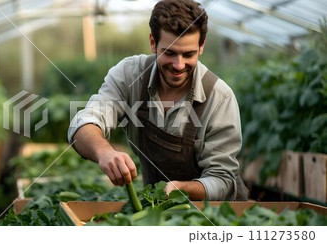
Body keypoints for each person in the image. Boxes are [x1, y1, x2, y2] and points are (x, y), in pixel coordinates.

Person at [68, 0, 248, 200]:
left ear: (201, 46)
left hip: (214, 216)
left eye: (188, 54)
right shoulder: (130, 75)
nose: (179, 65)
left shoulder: (219, 98)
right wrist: (104, 152)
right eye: (169, 53)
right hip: (158, 209)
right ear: (153, 42)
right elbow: (84, 122)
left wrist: (182, 189)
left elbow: (222, 179)